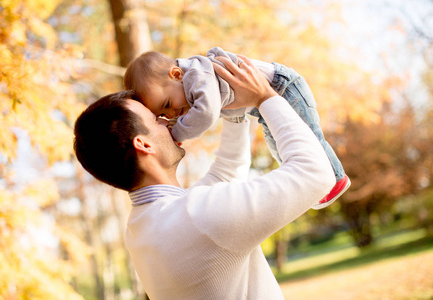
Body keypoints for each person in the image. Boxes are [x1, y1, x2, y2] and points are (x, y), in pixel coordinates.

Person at [73, 55, 336, 299]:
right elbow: (315, 174)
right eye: (156, 119)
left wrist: (234, 112)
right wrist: (264, 97)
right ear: (144, 145)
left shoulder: (142, 229)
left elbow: (227, 173)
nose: (168, 121)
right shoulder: (197, 216)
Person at [123, 47, 350, 209]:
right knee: (278, 146)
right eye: (162, 115)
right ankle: (318, 188)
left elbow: (207, 113)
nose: (171, 115)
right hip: (259, 105)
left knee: (308, 135)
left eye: (167, 105)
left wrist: (176, 133)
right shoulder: (181, 88)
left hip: (283, 86)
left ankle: (336, 178)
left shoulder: (196, 75)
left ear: (176, 74)